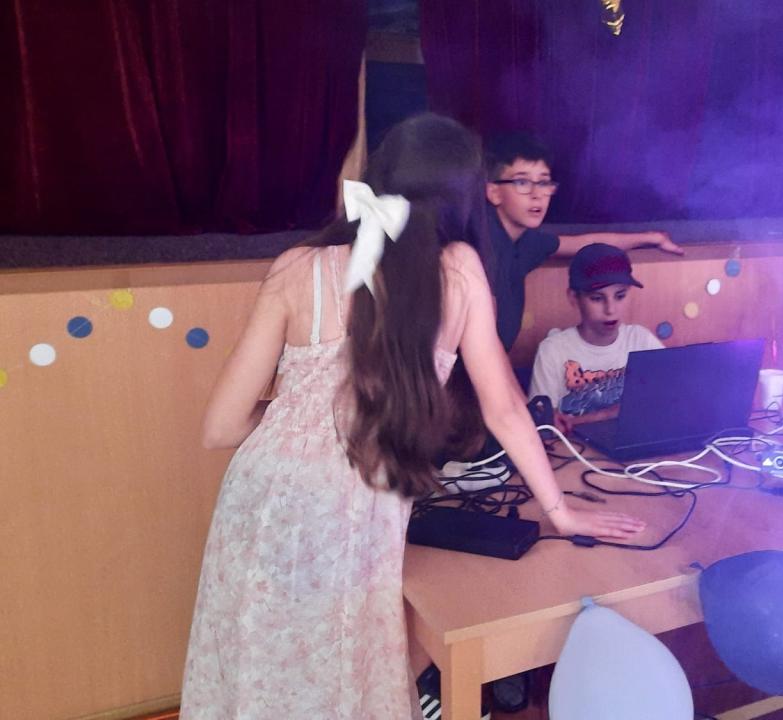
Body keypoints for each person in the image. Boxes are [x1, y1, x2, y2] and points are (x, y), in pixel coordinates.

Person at [181, 113, 644, 719]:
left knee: (256, 657)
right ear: (465, 194)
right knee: (345, 671)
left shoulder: (296, 266)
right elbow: (505, 407)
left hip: (259, 495)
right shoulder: (459, 268)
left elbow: (220, 427)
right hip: (356, 504)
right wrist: (559, 510)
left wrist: (301, 412)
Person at [483, 132, 683, 352]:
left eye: (543, 182)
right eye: (522, 182)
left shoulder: (526, 243)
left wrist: (652, 238)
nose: (537, 194)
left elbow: (587, 242)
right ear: (493, 192)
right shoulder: (481, 248)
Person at [528, 244, 664, 434]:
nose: (610, 309)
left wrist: (599, 416)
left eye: (620, 296)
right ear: (574, 298)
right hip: (573, 447)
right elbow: (544, 424)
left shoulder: (641, 340)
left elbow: (668, 398)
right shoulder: (553, 350)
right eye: (597, 298)